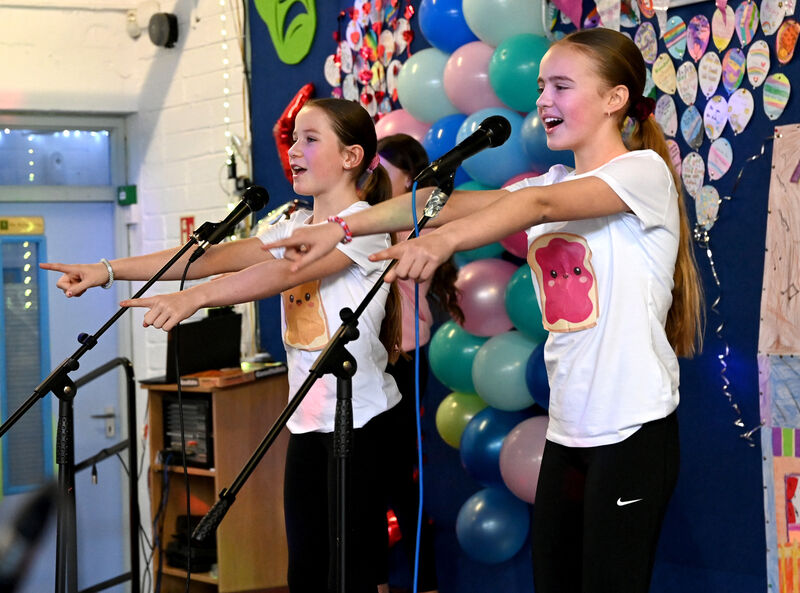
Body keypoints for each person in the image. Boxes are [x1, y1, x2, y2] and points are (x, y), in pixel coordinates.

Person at [265, 28, 704, 593]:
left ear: (614, 99)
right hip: (569, 437)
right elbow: (438, 202)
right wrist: (343, 226)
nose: (543, 99)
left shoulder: (640, 174)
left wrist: (443, 243)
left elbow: (537, 204)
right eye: (542, 85)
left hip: (632, 435)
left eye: (561, 86)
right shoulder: (554, 180)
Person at [41, 97, 405, 593]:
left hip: (361, 425)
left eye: (311, 139)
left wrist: (196, 298)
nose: (295, 149)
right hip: (306, 426)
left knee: (357, 576)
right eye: (294, 138)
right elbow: (212, 258)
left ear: (351, 156)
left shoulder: (366, 225)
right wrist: (107, 271)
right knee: (306, 573)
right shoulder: (293, 224)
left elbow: (285, 271)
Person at [375, 134, 463, 593]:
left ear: (409, 178)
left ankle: (422, 581)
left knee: (399, 478)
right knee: (368, 479)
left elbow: (405, 272)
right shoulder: (368, 220)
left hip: (404, 357)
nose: (370, 177)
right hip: (370, 359)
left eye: (381, 170)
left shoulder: (422, 226)